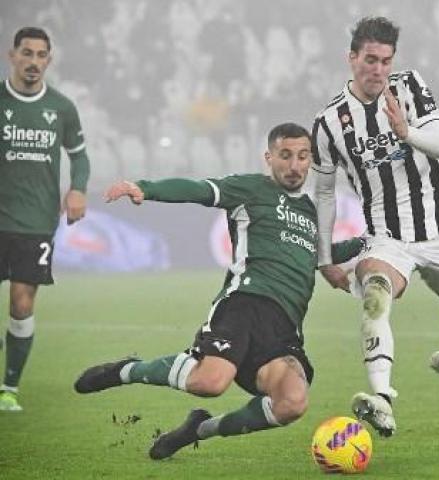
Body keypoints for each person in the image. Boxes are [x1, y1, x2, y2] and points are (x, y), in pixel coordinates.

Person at [74, 123, 363, 459]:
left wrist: (368, 243)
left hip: (284, 326)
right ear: (269, 157)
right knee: (209, 383)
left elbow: (323, 254)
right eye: (286, 155)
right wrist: (145, 188)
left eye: (302, 156)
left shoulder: (312, 213)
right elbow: (199, 190)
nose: (295, 165)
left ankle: (199, 430)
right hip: (244, 304)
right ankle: (127, 369)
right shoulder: (250, 189)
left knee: (292, 404)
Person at [311, 17, 439, 437]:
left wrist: (406, 132)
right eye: (370, 60)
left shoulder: (409, 88)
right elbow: (323, 194)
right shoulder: (330, 122)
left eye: (385, 60)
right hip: (387, 239)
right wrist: (324, 259)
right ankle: (382, 400)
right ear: (352, 59)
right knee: (375, 295)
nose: (378, 69)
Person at [0, 27, 90, 412]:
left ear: (49, 60)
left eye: (41, 55)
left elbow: (80, 155)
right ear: (12, 55)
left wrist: (78, 189)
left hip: (35, 222)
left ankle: (9, 388)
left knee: (21, 304)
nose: (34, 62)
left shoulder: (62, 107)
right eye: (27, 53)